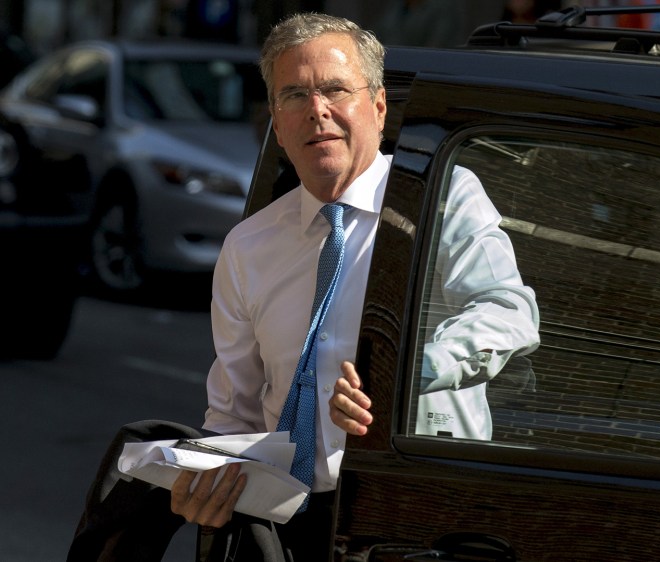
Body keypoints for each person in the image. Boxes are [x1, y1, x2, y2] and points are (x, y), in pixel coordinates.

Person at [67, 12, 539, 562]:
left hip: (414, 523)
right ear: (275, 119)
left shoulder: (441, 199)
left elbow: (508, 311)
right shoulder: (249, 246)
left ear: (379, 106)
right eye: (294, 95)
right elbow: (235, 415)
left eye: (336, 89)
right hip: (285, 527)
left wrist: (406, 376)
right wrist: (213, 484)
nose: (317, 111)